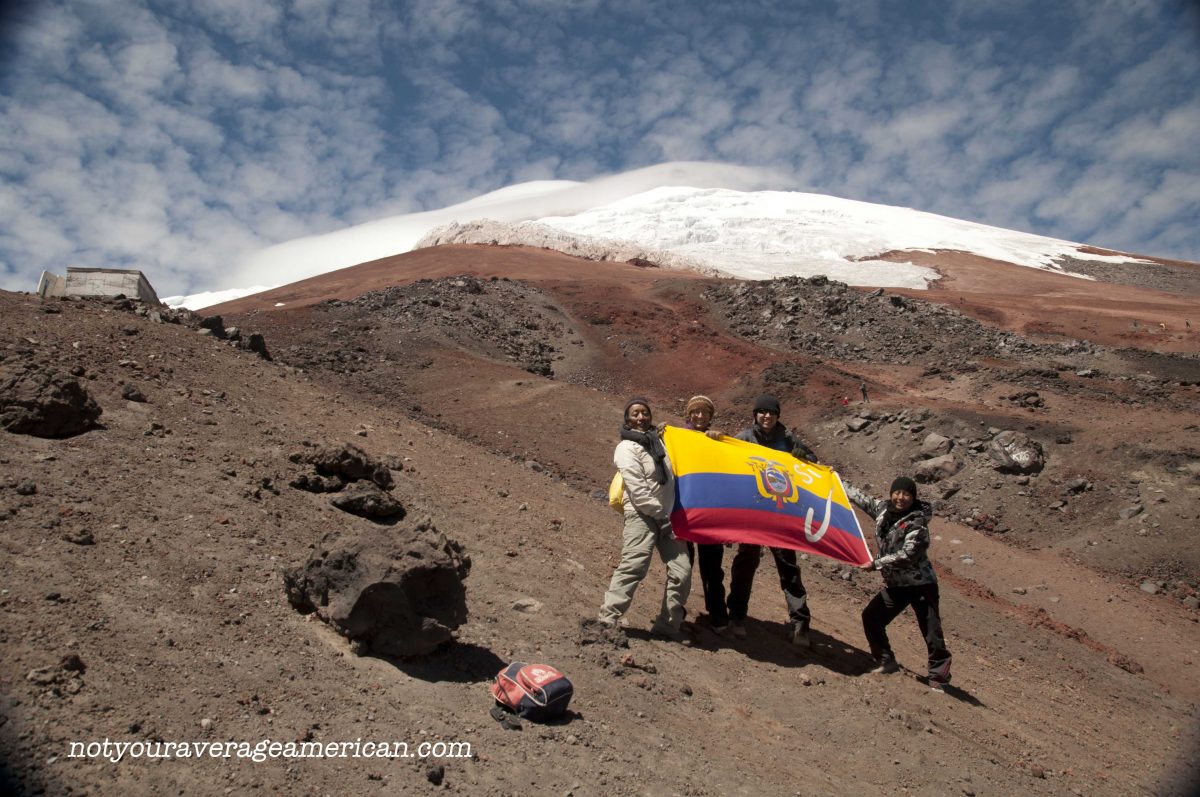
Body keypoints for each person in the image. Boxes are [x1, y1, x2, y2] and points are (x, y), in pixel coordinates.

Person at [598, 397, 693, 642]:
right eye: (635, 413)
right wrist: (660, 515)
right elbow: (637, 489)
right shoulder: (626, 448)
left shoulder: (660, 443)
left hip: (667, 515)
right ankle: (608, 618)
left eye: (644, 413)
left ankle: (668, 626)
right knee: (634, 565)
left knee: (682, 571)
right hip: (641, 514)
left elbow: (688, 450)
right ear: (627, 419)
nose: (641, 417)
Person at [845, 476, 952, 691]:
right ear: (891, 493)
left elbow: (908, 555)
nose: (900, 498)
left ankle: (938, 678)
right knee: (872, 617)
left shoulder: (918, 522)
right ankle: (886, 661)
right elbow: (858, 496)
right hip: (897, 584)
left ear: (913, 498)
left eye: (906, 494)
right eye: (897, 493)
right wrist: (832, 477)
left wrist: (876, 564)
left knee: (931, 631)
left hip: (921, 584)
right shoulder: (883, 510)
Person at [727, 394, 817, 649]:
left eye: (772, 413)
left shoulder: (788, 440)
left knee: (788, 568)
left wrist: (805, 458)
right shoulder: (744, 438)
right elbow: (723, 458)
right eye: (762, 412)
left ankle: (800, 624)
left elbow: (814, 466)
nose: (767, 417)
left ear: (778, 416)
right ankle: (736, 616)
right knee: (746, 563)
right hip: (753, 514)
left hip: (781, 515)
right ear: (755, 414)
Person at [682, 395, 732, 635]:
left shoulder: (719, 440)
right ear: (689, 414)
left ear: (711, 416)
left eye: (704, 413)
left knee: (713, 568)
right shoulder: (678, 438)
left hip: (711, 514)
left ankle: (718, 614)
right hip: (684, 511)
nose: (700, 416)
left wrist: (720, 442)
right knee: (682, 565)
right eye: (695, 412)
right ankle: (675, 610)